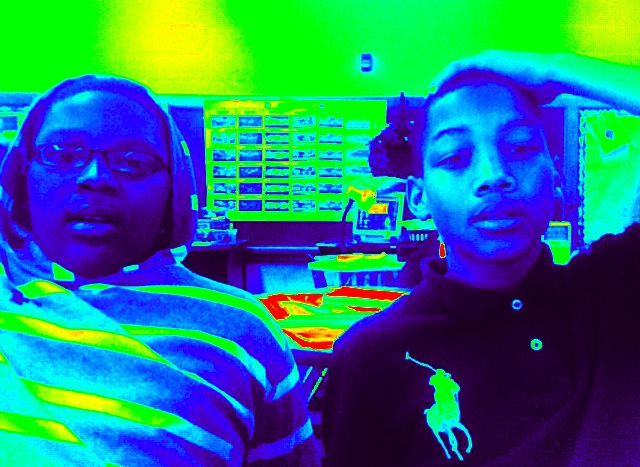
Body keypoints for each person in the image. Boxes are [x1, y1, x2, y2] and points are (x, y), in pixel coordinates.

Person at [322, 50, 640, 466]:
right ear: (419, 198)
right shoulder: (371, 356)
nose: (493, 175)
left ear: (557, 178)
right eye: (455, 158)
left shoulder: (619, 288)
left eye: (520, 147)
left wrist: (554, 69)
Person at [0, 74, 320, 466]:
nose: (95, 178)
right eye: (63, 155)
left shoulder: (243, 332)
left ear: (175, 187)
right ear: (22, 174)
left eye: (133, 162)